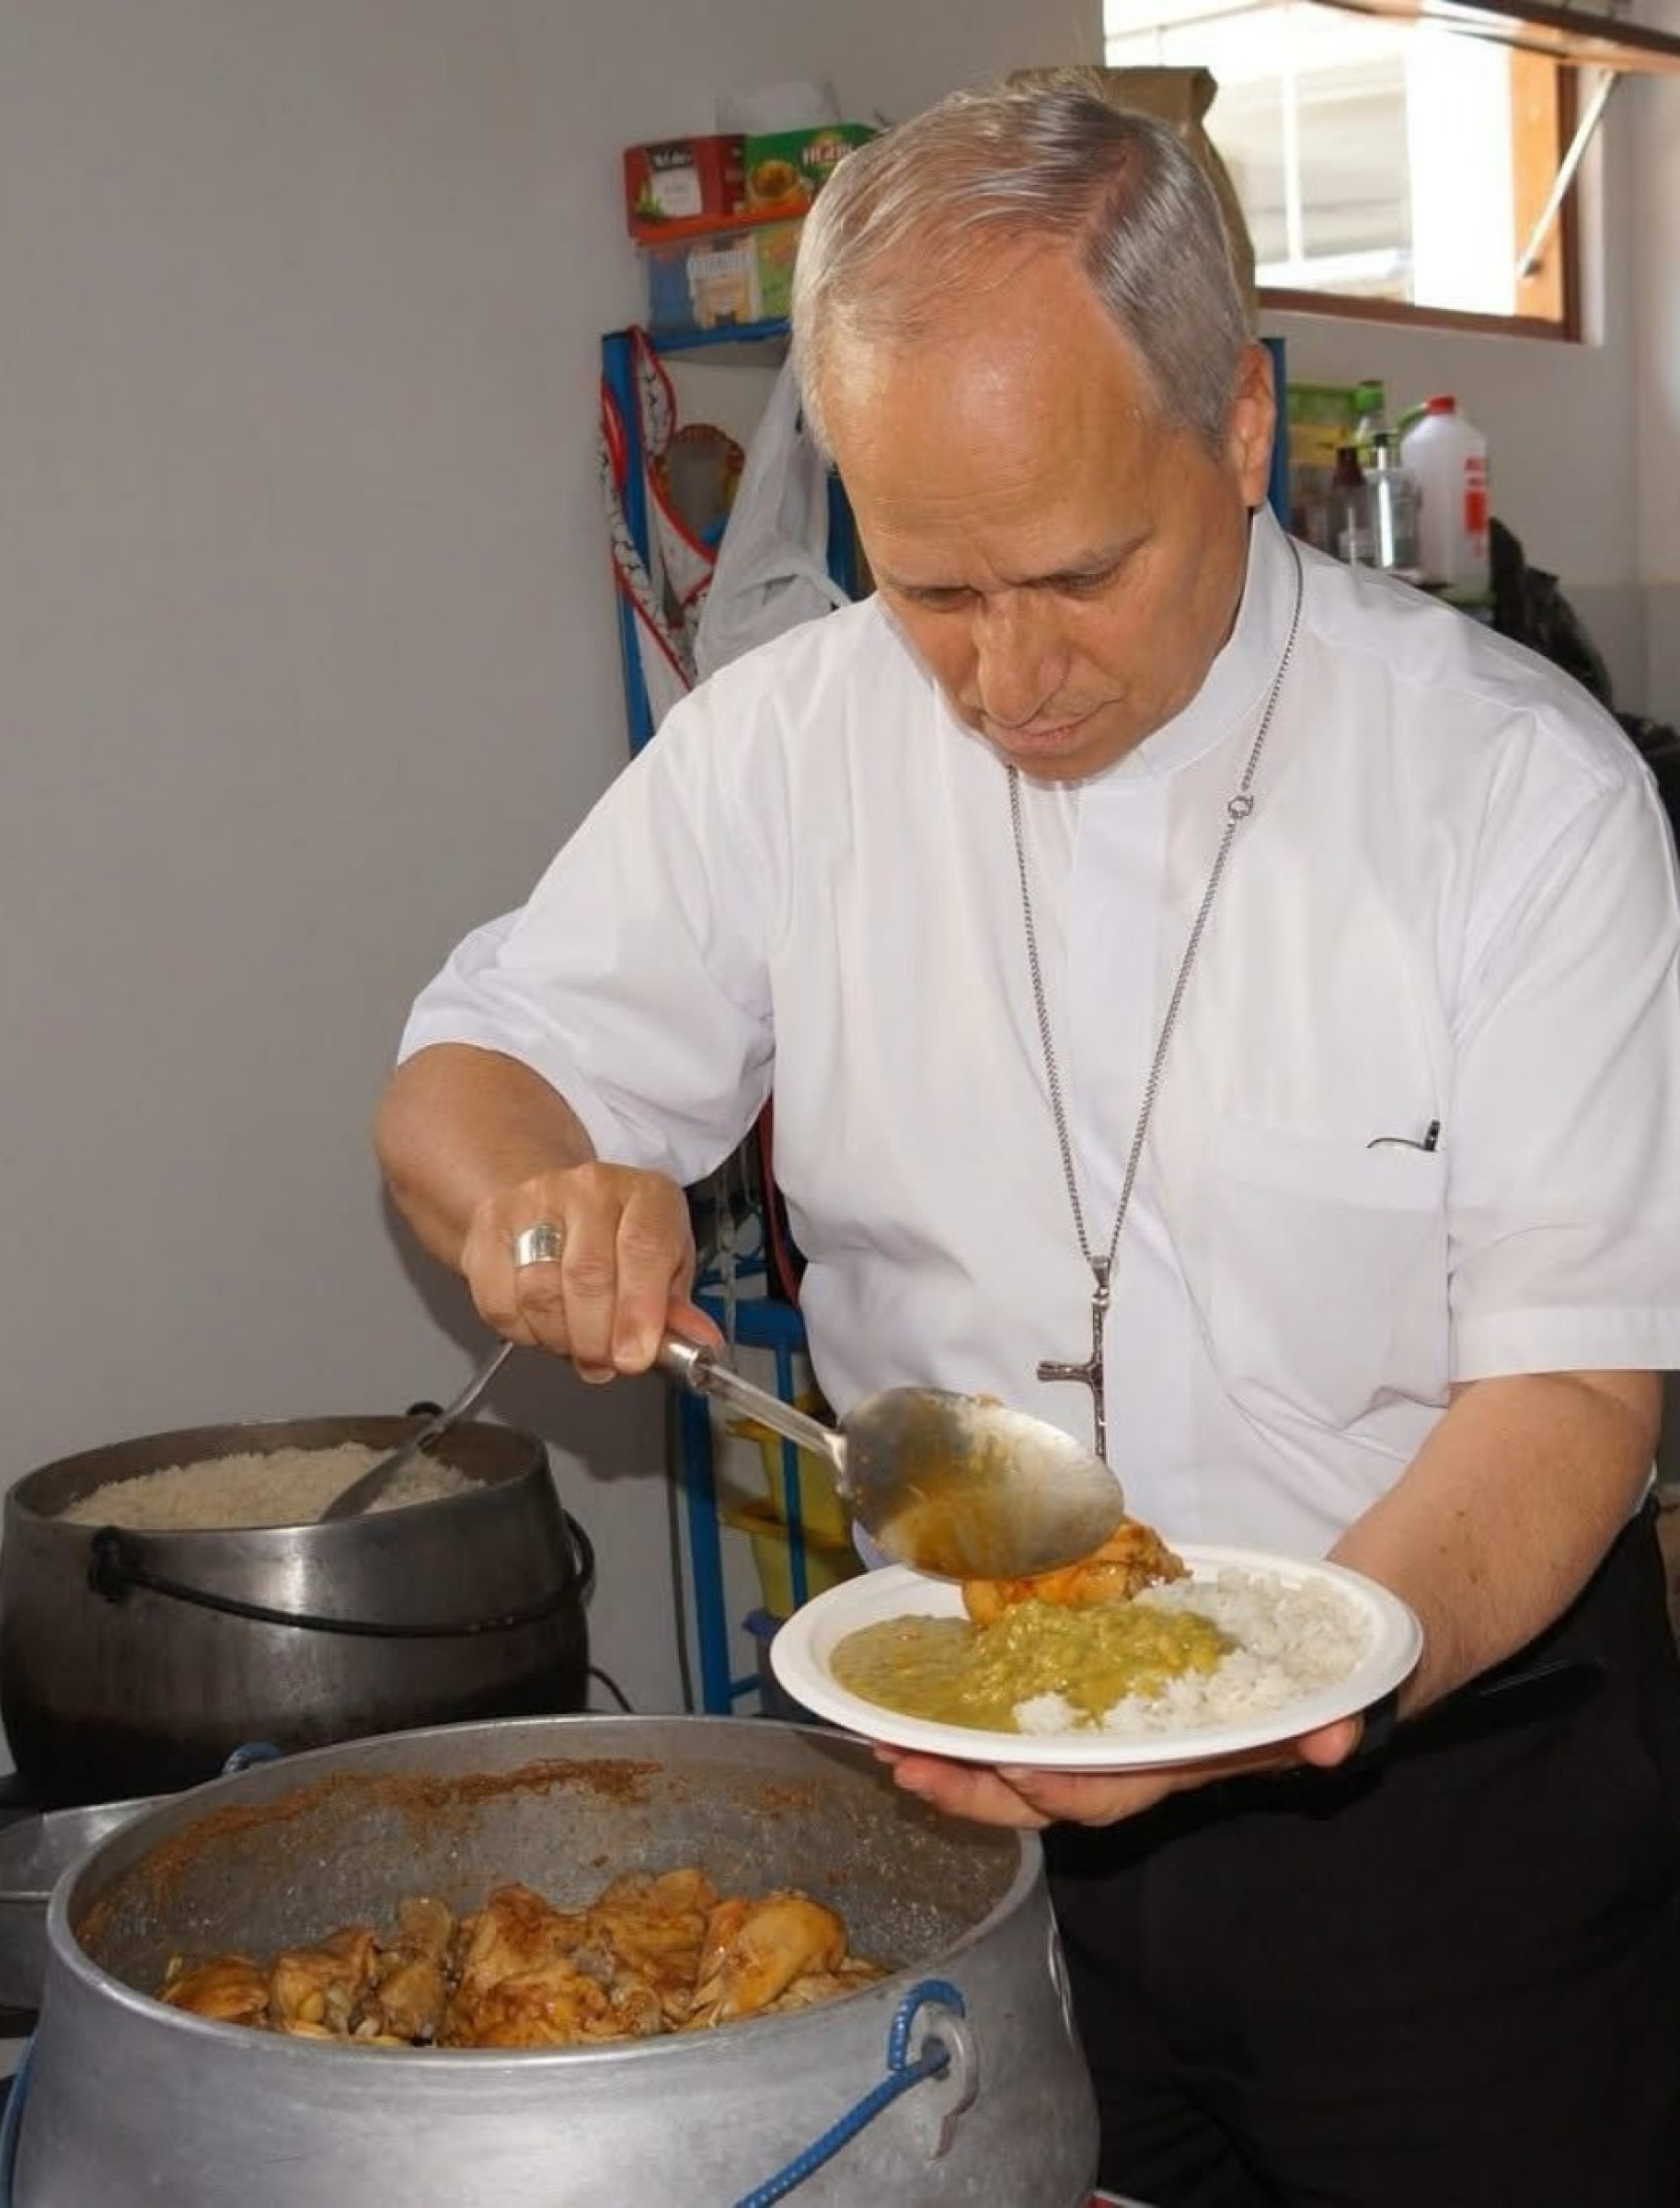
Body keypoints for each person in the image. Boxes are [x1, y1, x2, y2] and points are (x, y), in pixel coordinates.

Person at [375, 75, 1680, 2207]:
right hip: (960, 1774)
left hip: (1443, 1800)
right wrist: (532, 1193)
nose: (1009, 676)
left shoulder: (1513, 798)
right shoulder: (791, 746)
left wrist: (1275, 1684)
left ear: (1242, 429)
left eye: (1076, 574)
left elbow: (1573, 1390)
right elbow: (468, 1069)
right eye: (932, 588)